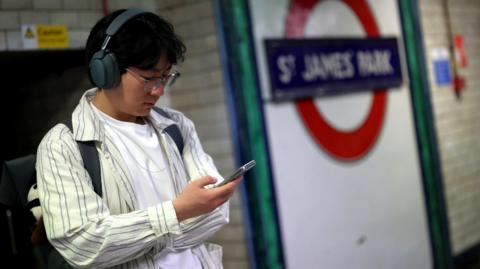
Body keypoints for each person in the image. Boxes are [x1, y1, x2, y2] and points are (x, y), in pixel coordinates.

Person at [36, 8, 241, 269]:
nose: (159, 90)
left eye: (166, 76)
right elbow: (83, 243)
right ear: (105, 70)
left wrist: (138, 239)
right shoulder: (64, 145)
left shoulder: (177, 126)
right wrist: (176, 212)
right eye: (149, 78)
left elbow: (216, 211)